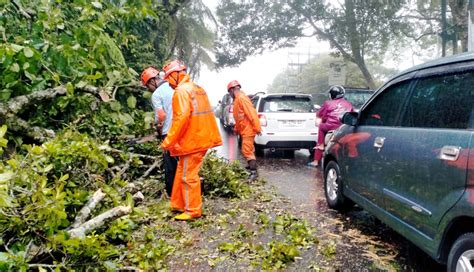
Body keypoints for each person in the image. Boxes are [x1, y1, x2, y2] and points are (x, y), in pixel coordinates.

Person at [160, 60, 222, 221]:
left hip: (192, 141)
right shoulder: (197, 88)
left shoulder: (181, 91)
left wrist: (168, 142)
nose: (168, 83)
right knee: (182, 170)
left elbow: (181, 119)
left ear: (175, 75)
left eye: (168, 79)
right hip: (201, 138)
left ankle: (192, 210)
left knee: (188, 176)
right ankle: (179, 204)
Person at [140, 67, 178, 197]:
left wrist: (157, 127)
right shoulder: (174, 86)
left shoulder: (157, 94)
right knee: (183, 163)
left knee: (170, 164)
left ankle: (172, 193)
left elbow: (161, 116)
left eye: (147, 86)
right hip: (182, 129)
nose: (149, 90)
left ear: (151, 82)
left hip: (169, 132)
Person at [308, 85, 353, 167]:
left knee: (321, 126)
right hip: (344, 127)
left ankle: (316, 158)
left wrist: (323, 119)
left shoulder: (328, 103)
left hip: (330, 126)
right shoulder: (349, 104)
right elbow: (351, 115)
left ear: (331, 95)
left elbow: (320, 114)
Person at [227, 80, 261, 181]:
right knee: (248, 149)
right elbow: (239, 118)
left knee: (246, 149)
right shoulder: (238, 100)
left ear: (233, 90)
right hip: (244, 129)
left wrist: (257, 127)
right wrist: (236, 129)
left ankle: (254, 173)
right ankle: (251, 165)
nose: (230, 94)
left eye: (229, 92)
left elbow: (251, 113)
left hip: (248, 129)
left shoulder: (242, 98)